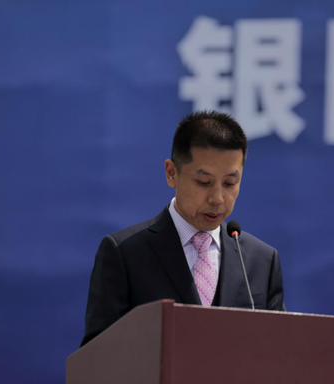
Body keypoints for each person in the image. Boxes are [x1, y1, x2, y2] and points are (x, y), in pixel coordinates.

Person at [81, 111, 285, 346]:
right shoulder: (125, 254)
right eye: (204, 182)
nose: (218, 198)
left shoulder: (262, 261)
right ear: (172, 173)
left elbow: (279, 351)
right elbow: (99, 355)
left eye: (230, 183)